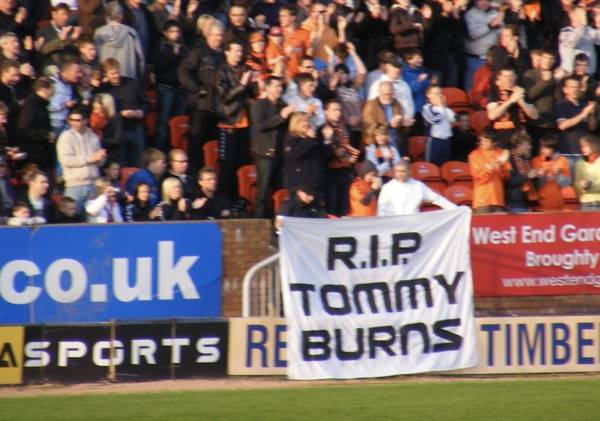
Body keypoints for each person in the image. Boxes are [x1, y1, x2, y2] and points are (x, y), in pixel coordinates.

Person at [177, 19, 225, 174]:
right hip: (200, 106)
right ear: (208, 35)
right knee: (196, 144)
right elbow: (183, 72)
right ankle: (192, 175)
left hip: (218, 108)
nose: (219, 38)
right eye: (216, 35)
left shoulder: (224, 54)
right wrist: (197, 89)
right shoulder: (198, 52)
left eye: (221, 35)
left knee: (213, 146)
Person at [215, 40, 256, 205]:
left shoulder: (243, 69)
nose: (239, 54)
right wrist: (242, 84)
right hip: (229, 122)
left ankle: (239, 199)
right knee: (228, 166)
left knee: (242, 164)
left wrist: (253, 82)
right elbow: (224, 96)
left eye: (240, 51)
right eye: (235, 51)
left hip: (244, 122)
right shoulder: (221, 71)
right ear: (227, 52)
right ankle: (225, 200)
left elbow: (250, 93)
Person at [250, 76, 295, 218]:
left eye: (281, 86)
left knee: (281, 190)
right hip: (265, 154)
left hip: (281, 154)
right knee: (263, 192)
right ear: (267, 88)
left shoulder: (283, 105)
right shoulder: (259, 105)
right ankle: (259, 223)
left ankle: (279, 222)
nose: (279, 89)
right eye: (276, 86)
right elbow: (260, 125)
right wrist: (281, 117)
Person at [98, 58, 147, 167]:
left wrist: (140, 112)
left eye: (118, 72)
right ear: (106, 74)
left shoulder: (132, 83)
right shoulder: (103, 89)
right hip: (116, 132)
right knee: (121, 164)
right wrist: (120, 114)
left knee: (138, 162)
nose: (116, 76)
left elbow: (145, 102)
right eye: (113, 73)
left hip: (135, 128)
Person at [56, 107, 106, 214]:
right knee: (72, 219)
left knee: (92, 220)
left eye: (77, 120)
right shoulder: (65, 137)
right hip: (74, 186)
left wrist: (100, 158)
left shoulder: (93, 137)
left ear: (85, 121)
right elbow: (66, 160)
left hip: (93, 185)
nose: (74, 123)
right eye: (71, 120)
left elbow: (100, 162)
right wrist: (90, 158)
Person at [152, 19, 187, 152]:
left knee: (178, 121)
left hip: (180, 88)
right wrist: (174, 55)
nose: (175, 34)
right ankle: (160, 150)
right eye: (172, 31)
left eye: (177, 31)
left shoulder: (184, 48)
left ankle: (176, 151)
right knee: (163, 122)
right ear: (165, 33)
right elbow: (159, 67)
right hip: (165, 87)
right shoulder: (160, 47)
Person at [320, 99, 359, 217]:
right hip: (330, 173)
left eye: (339, 110)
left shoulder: (346, 128)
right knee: (332, 208)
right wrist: (328, 140)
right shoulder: (322, 130)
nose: (337, 112)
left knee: (344, 208)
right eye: (334, 110)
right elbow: (325, 154)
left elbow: (353, 147)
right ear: (326, 112)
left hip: (346, 172)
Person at [377, 160, 456, 216]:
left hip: (414, 224)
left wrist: (456, 209)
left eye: (403, 171)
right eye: (397, 171)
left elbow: (436, 199)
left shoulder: (418, 186)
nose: (400, 174)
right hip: (394, 225)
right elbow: (382, 210)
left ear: (409, 171)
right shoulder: (387, 187)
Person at [487, 66, 538, 148]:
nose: (509, 79)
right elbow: (492, 115)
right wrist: (511, 100)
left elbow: (534, 116)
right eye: (506, 76)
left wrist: (521, 101)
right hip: (499, 139)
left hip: (519, 140)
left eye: (511, 76)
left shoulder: (522, 93)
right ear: (498, 80)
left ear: (516, 77)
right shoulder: (494, 94)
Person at [284, 111, 330, 201]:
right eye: (302, 121)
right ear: (295, 123)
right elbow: (295, 154)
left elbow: (326, 156)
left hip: (316, 184)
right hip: (299, 187)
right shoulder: (291, 139)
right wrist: (309, 139)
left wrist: (327, 140)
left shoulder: (313, 138)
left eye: (307, 121)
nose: (306, 123)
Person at [94, 1, 145, 79]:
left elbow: (96, 56)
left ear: (107, 15)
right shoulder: (131, 33)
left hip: (107, 77)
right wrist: (141, 75)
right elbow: (140, 58)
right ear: (121, 14)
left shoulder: (99, 33)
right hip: (128, 77)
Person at [17, 76, 55, 175]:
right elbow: (24, 128)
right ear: (44, 89)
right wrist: (45, 134)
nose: (53, 93)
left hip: (44, 154)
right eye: (52, 89)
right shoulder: (31, 104)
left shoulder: (42, 104)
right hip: (35, 155)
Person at [468, 128, 511, 213]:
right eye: (482, 140)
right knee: (483, 224)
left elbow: (506, 177)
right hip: (482, 200)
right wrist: (492, 166)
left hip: (498, 199)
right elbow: (479, 179)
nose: (483, 143)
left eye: (487, 141)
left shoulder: (500, 153)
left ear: (494, 143)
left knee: (499, 226)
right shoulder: (474, 155)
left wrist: (502, 164)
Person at [556, 76, 596, 156]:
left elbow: (592, 127)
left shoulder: (584, 104)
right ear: (565, 89)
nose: (575, 89)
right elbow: (562, 125)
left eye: (577, 87)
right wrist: (583, 114)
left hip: (584, 152)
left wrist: (591, 113)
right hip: (567, 152)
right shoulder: (561, 104)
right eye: (572, 87)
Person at [362, 81, 406, 155]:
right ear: (379, 92)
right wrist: (389, 125)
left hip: (394, 142)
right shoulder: (371, 105)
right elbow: (369, 127)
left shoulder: (396, 103)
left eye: (390, 94)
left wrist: (403, 123)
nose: (387, 97)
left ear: (393, 92)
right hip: (377, 145)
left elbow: (400, 125)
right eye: (384, 94)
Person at [530, 134, 570, 211]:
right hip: (540, 205)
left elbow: (566, 184)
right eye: (541, 147)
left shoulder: (562, 160)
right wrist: (538, 174)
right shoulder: (535, 161)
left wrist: (558, 174)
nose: (542, 150)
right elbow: (532, 181)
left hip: (558, 204)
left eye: (545, 148)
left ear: (552, 149)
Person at [422, 85, 455, 166]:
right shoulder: (427, 107)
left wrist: (444, 107)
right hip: (434, 141)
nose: (439, 96)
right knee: (432, 165)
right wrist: (441, 106)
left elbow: (454, 119)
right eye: (436, 93)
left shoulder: (445, 109)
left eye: (440, 93)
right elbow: (434, 119)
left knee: (445, 165)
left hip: (446, 140)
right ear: (429, 95)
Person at [504, 132, 538, 213]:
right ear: (519, 145)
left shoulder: (526, 160)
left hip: (526, 201)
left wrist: (537, 175)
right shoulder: (509, 160)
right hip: (514, 204)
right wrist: (527, 176)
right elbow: (509, 181)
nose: (530, 147)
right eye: (527, 144)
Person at [89, 93, 124, 165]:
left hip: (112, 155)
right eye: (95, 107)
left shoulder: (115, 118)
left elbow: (118, 140)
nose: (97, 110)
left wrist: (99, 142)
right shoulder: (92, 117)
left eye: (100, 107)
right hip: (95, 153)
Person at [575, 134, 600, 210]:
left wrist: (590, 185)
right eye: (581, 146)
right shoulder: (579, 163)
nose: (582, 149)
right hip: (584, 202)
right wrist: (581, 185)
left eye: (585, 146)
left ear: (593, 146)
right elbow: (576, 184)